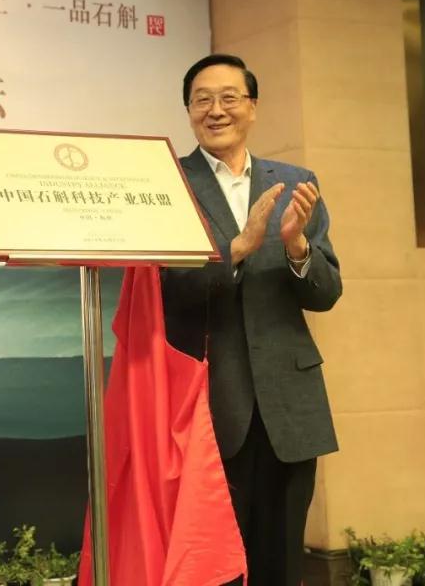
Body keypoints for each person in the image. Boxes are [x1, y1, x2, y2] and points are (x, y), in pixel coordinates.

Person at [161, 53, 342, 586]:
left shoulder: (296, 183)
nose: (216, 110)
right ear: (189, 111)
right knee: (212, 565)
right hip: (208, 400)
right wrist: (236, 249)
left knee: (282, 560)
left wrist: (297, 245)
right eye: (202, 100)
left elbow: (326, 293)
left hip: (290, 402)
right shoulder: (169, 183)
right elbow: (165, 289)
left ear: (253, 107)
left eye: (229, 98)